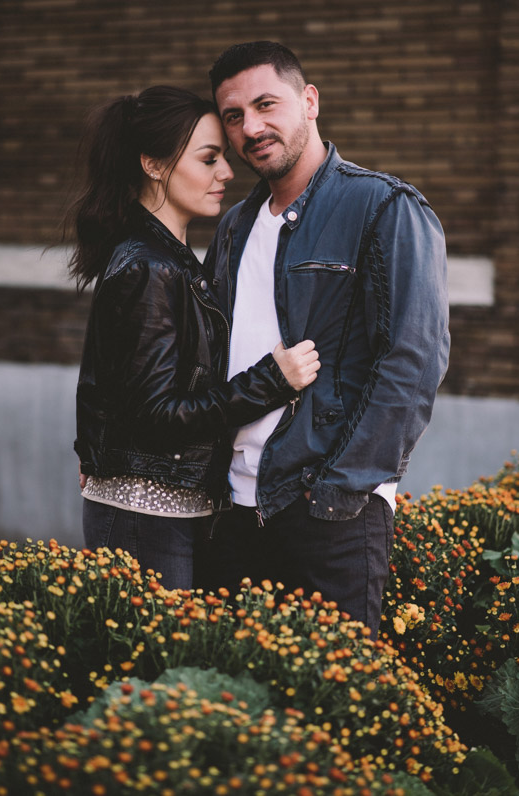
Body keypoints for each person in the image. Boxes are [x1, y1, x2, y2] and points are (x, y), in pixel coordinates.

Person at [203, 42, 450, 635]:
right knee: (238, 703)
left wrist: (341, 489)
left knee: (330, 708)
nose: (251, 128)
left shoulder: (384, 207)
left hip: (328, 511)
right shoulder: (235, 226)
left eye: (266, 105)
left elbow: (413, 363)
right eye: (233, 116)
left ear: (309, 101)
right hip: (234, 508)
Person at [68, 85, 320, 590]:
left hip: (169, 509)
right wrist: (271, 381)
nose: (227, 172)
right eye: (209, 159)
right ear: (154, 166)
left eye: (223, 158)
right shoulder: (149, 268)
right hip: (146, 516)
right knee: (152, 668)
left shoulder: (172, 260)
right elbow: (157, 415)